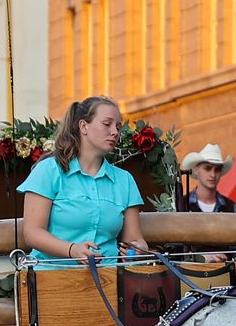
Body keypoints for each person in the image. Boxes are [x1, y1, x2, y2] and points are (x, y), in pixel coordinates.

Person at [19, 96, 150, 262]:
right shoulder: (48, 170)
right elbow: (32, 233)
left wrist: (139, 248)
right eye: (106, 124)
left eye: (118, 126)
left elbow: (133, 239)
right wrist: (72, 250)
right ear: (83, 126)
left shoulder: (125, 180)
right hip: (53, 275)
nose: (115, 132)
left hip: (110, 277)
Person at [177, 144, 236, 214]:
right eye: (207, 168)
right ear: (196, 170)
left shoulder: (232, 208)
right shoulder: (180, 206)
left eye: (217, 169)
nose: (213, 175)